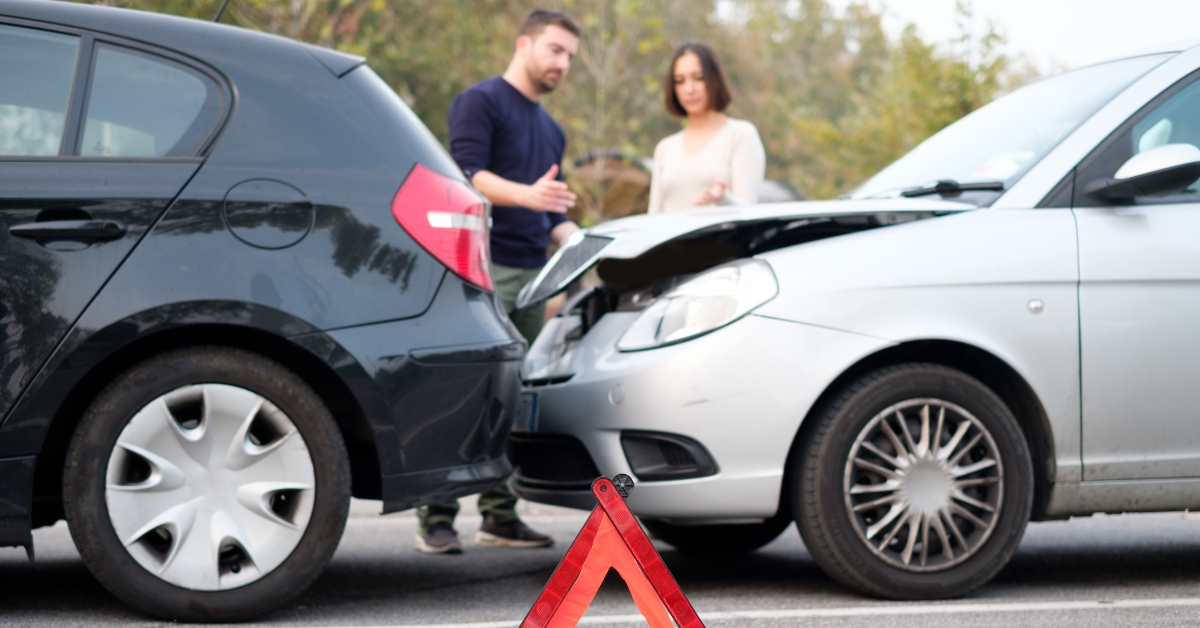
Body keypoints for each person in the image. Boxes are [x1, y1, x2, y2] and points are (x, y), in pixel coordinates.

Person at [414, 9, 581, 554]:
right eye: (555, 50)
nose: (563, 64)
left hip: (533, 278)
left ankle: (499, 516)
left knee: (512, 398)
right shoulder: (480, 102)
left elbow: (551, 214)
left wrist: (577, 238)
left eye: (570, 57)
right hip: (476, 270)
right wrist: (528, 195)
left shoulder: (552, 128)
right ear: (524, 43)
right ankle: (436, 517)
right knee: (463, 390)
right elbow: (465, 177)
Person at [647, 42, 766, 214]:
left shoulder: (740, 135)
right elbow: (654, 218)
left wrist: (723, 199)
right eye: (680, 81)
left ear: (715, 80)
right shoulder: (665, 148)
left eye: (699, 78)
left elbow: (749, 211)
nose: (689, 89)